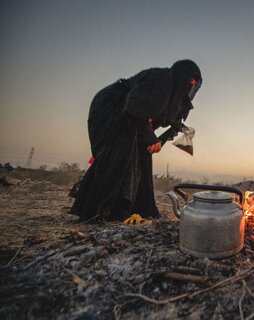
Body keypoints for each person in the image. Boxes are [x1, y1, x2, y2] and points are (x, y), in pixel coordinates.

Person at [70, 60, 202, 221]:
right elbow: (135, 106)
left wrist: (179, 128)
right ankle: (107, 210)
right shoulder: (160, 79)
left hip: (133, 119)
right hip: (112, 107)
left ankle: (137, 208)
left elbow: (164, 115)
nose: (192, 83)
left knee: (141, 156)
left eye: (195, 81)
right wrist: (149, 137)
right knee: (118, 153)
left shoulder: (175, 95)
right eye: (190, 78)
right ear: (181, 74)